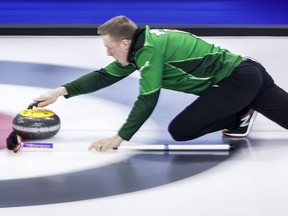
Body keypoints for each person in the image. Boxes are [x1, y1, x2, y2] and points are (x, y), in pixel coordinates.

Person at [34, 15, 288, 152]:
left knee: (181, 130)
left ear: (124, 43)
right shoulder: (141, 45)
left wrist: (119, 138)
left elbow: (148, 98)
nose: (108, 54)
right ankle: (241, 111)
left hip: (237, 81)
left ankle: (239, 115)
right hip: (246, 72)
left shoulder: (148, 53)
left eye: (109, 48)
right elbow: (104, 75)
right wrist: (60, 91)